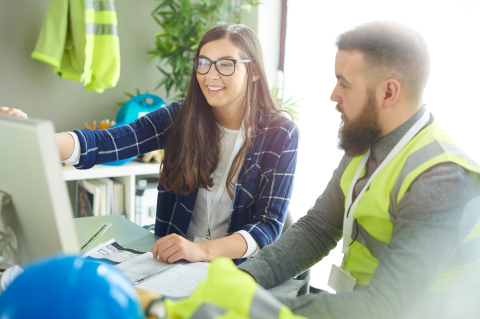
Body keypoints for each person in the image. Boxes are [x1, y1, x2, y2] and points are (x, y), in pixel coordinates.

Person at [160, 21, 479, 319]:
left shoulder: (442, 177)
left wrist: (254, 305)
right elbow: (316, 230)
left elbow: (388, 304)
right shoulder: (369, 145)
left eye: (344, 84)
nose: (333, 95)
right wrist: (241, 280)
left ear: (388, 92)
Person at [53, 24, 298, 264]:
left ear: (254, 71)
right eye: (203, 63)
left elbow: (268, 225)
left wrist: (201, 251)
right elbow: (108, 142)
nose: (210, 75)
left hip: (236, 273)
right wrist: (40, 140)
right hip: (172, 265)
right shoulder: (180, 116)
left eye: (225, 64)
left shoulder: (281, 135)